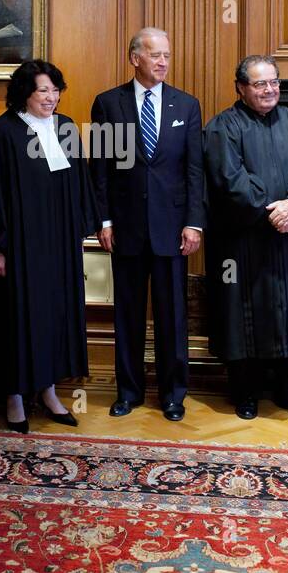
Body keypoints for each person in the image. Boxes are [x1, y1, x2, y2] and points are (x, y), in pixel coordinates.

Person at [204, 55, 288, 421]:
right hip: (243, 243)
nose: (269, 90)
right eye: (260, 84)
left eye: (274, 82)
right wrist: (270, 211)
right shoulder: (222, 127)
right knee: (243, 317)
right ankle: (245, 392)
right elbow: (228, 180)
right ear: (240, 88)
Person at [90, 28, 204, 422]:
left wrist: (194, 223)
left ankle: (173, 395)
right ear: (134, 57)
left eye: (167, 55)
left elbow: (194, 171)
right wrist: (103, 220)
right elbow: (100, 169)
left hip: (174, 229)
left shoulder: (187, 106)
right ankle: (129, 391)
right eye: (155, 55)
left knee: (173, 316)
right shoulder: (108, 104)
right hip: (126, 228)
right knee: (129, 314)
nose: (163, 62)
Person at [0, 60, 98, 432]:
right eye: (43, 90)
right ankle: (14, 395)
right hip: (20, 247)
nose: (51, 97)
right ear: (24, 94)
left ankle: (48, 391)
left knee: (53, 315)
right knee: (18, 317)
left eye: (55, 90)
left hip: (58, 245)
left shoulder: (64, 128)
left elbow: (78, 186)